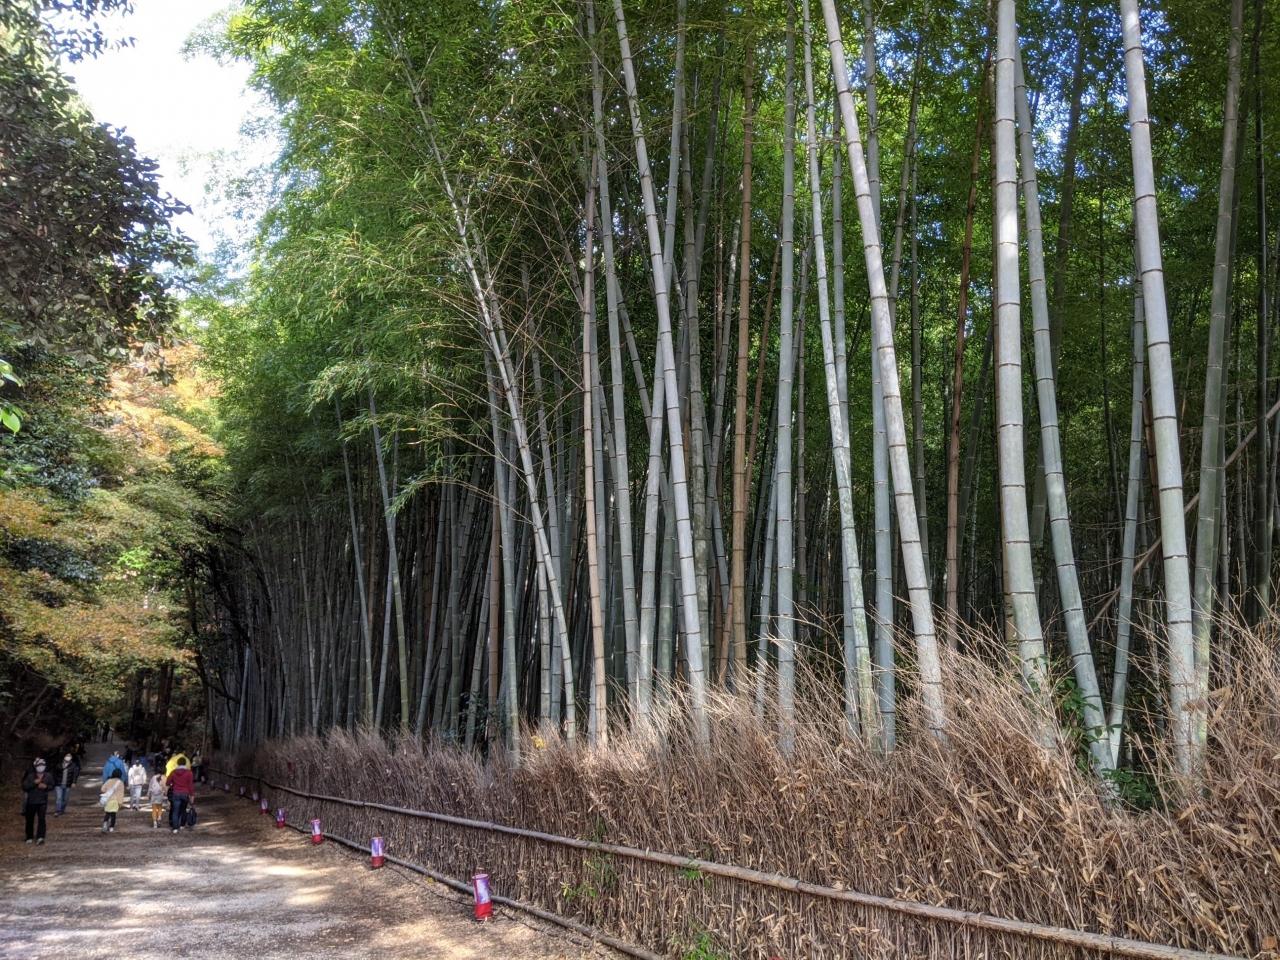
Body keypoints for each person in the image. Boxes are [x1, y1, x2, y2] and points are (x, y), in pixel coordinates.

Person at [22, 759, 53, 845]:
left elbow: (52, 785)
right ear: (35, 767)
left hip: (42, 801)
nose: (41, 767)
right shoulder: (30, 776)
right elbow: (24, 787)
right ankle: (29, 836)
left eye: (42, 765)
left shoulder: (48, 776)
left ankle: (41, 837)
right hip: (31, 801)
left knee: (42, 819)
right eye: (39, 765)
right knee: (29, 820)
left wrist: (46, 787)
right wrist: (34, 783)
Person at [165, 757, 195, 833]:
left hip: (176, 793)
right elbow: (190, 785)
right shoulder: (189, 773)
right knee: (183, 810)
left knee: (175, 811)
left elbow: (167, 782)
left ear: (177, 763)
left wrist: (172, 784)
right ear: (185, 763)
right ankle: (182, 825)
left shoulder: (173, 772)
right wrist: (192, 795)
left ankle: (175, 828)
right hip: (185, 794)